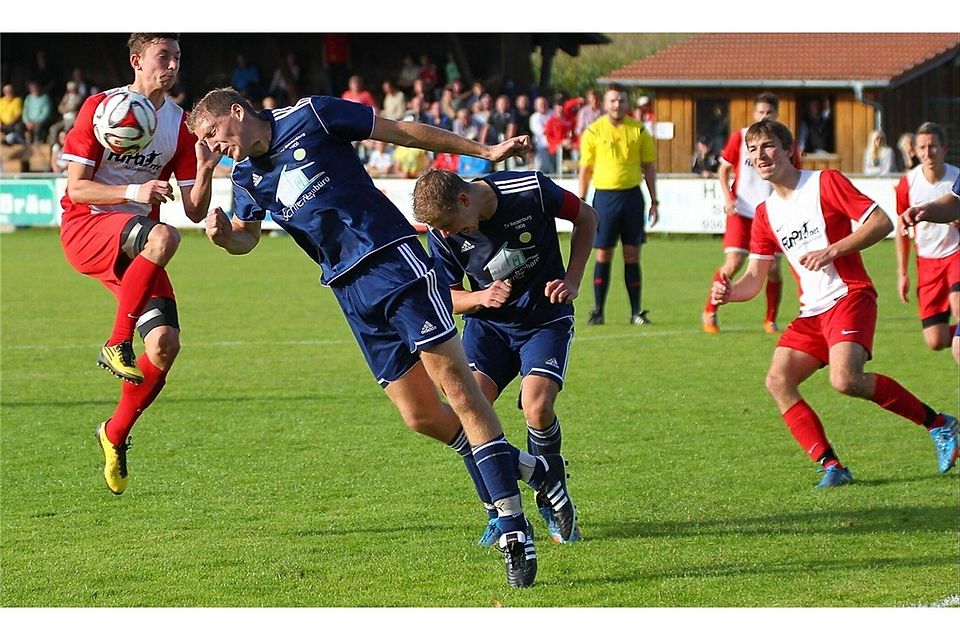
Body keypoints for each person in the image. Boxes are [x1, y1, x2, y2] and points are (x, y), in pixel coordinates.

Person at [187, 88, 577, 588]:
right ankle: (536, 472)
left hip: (395, 264)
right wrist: (226, 239)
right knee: (419, 415)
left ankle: (512, 527)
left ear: (236, 112)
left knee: (461, 391)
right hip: (348, 291)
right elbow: (246, 236)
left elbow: (401, 130)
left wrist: (482, 152)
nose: (214, 146)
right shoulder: (245, 178)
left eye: (213, 134)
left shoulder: (312, 115)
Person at [710, 119, 958, 488]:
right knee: (778, 380)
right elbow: (753, 279)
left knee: (844, 379)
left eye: (767, 147)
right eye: (753, 150)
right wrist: (730, 294)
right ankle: (831, 466)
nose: (760, 156)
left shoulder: (825, 183)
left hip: (850, 295)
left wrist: (833, 250)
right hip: (812, 312)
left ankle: (939, 424)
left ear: (789, 150)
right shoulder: (764, 214)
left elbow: (881, 222)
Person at [58, 34, 217, 496]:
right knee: (163, 235)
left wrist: (205, 170)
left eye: (178, 58)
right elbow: (78, 189)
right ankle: (115, 343)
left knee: (166, 346)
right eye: (163, 56)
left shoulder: (181, 125)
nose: (172, 65)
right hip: (88, 228)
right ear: (137, 61)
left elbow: (191, 208)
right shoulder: (100, 107)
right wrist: (134, 192)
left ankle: (114, 433)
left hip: (138, 248)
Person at [412, 168, 596, 544]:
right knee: (469, 414)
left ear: (464, 200)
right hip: (489, 329)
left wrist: (573, 278)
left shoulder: (530, 190)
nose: (445, 234)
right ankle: (498, 512)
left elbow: (587, 216)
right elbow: (447, 294)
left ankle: (549, 496)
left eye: (448, 225)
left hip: (544, 319)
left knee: (537, 407)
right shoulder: (441, 232)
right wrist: (479, 297)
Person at [702, 92, 791, 334]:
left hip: (770, 213)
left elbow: (793, 176)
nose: (764, 116)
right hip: (741, 211)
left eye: (769, 113)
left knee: (772, 267)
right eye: (760, 112)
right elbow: (723, 170)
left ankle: (770, 319)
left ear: (776, 115)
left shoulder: (782, 142)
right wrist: (728, 198)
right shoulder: (740, 137)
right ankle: (710, 311)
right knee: (733, 263)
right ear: (754, 114)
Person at [578, 83, 659, 326]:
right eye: (613, 100)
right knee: (603, 254)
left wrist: (655, 200)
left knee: (632, 254)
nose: (617, 105)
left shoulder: (639, 130)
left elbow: (650, 167)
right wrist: (580, 202)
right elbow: (586, 169)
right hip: (604, 198)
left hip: (632, 197)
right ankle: (598, 310)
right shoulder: (593, 131)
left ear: (627, 103)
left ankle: (636, 311)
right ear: (605, 103)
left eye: (622, 100)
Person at [894, 122, 959, 352]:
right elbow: (902, 231)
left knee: (958, 305)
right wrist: (902, 272)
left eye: (933, 146)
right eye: (922, 147)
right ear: (915, 151)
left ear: (944, 148)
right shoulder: (907, 185)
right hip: (928, 262)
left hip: (956, 254)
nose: (927, 152)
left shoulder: (956, 178)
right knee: (936, 340)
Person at [901, 175, 960, 363]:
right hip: (929, 264)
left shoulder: (952, 172)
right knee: (944, 342)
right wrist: (924, 211)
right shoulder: (909, 181)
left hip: (954, 255)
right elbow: (955, 203)